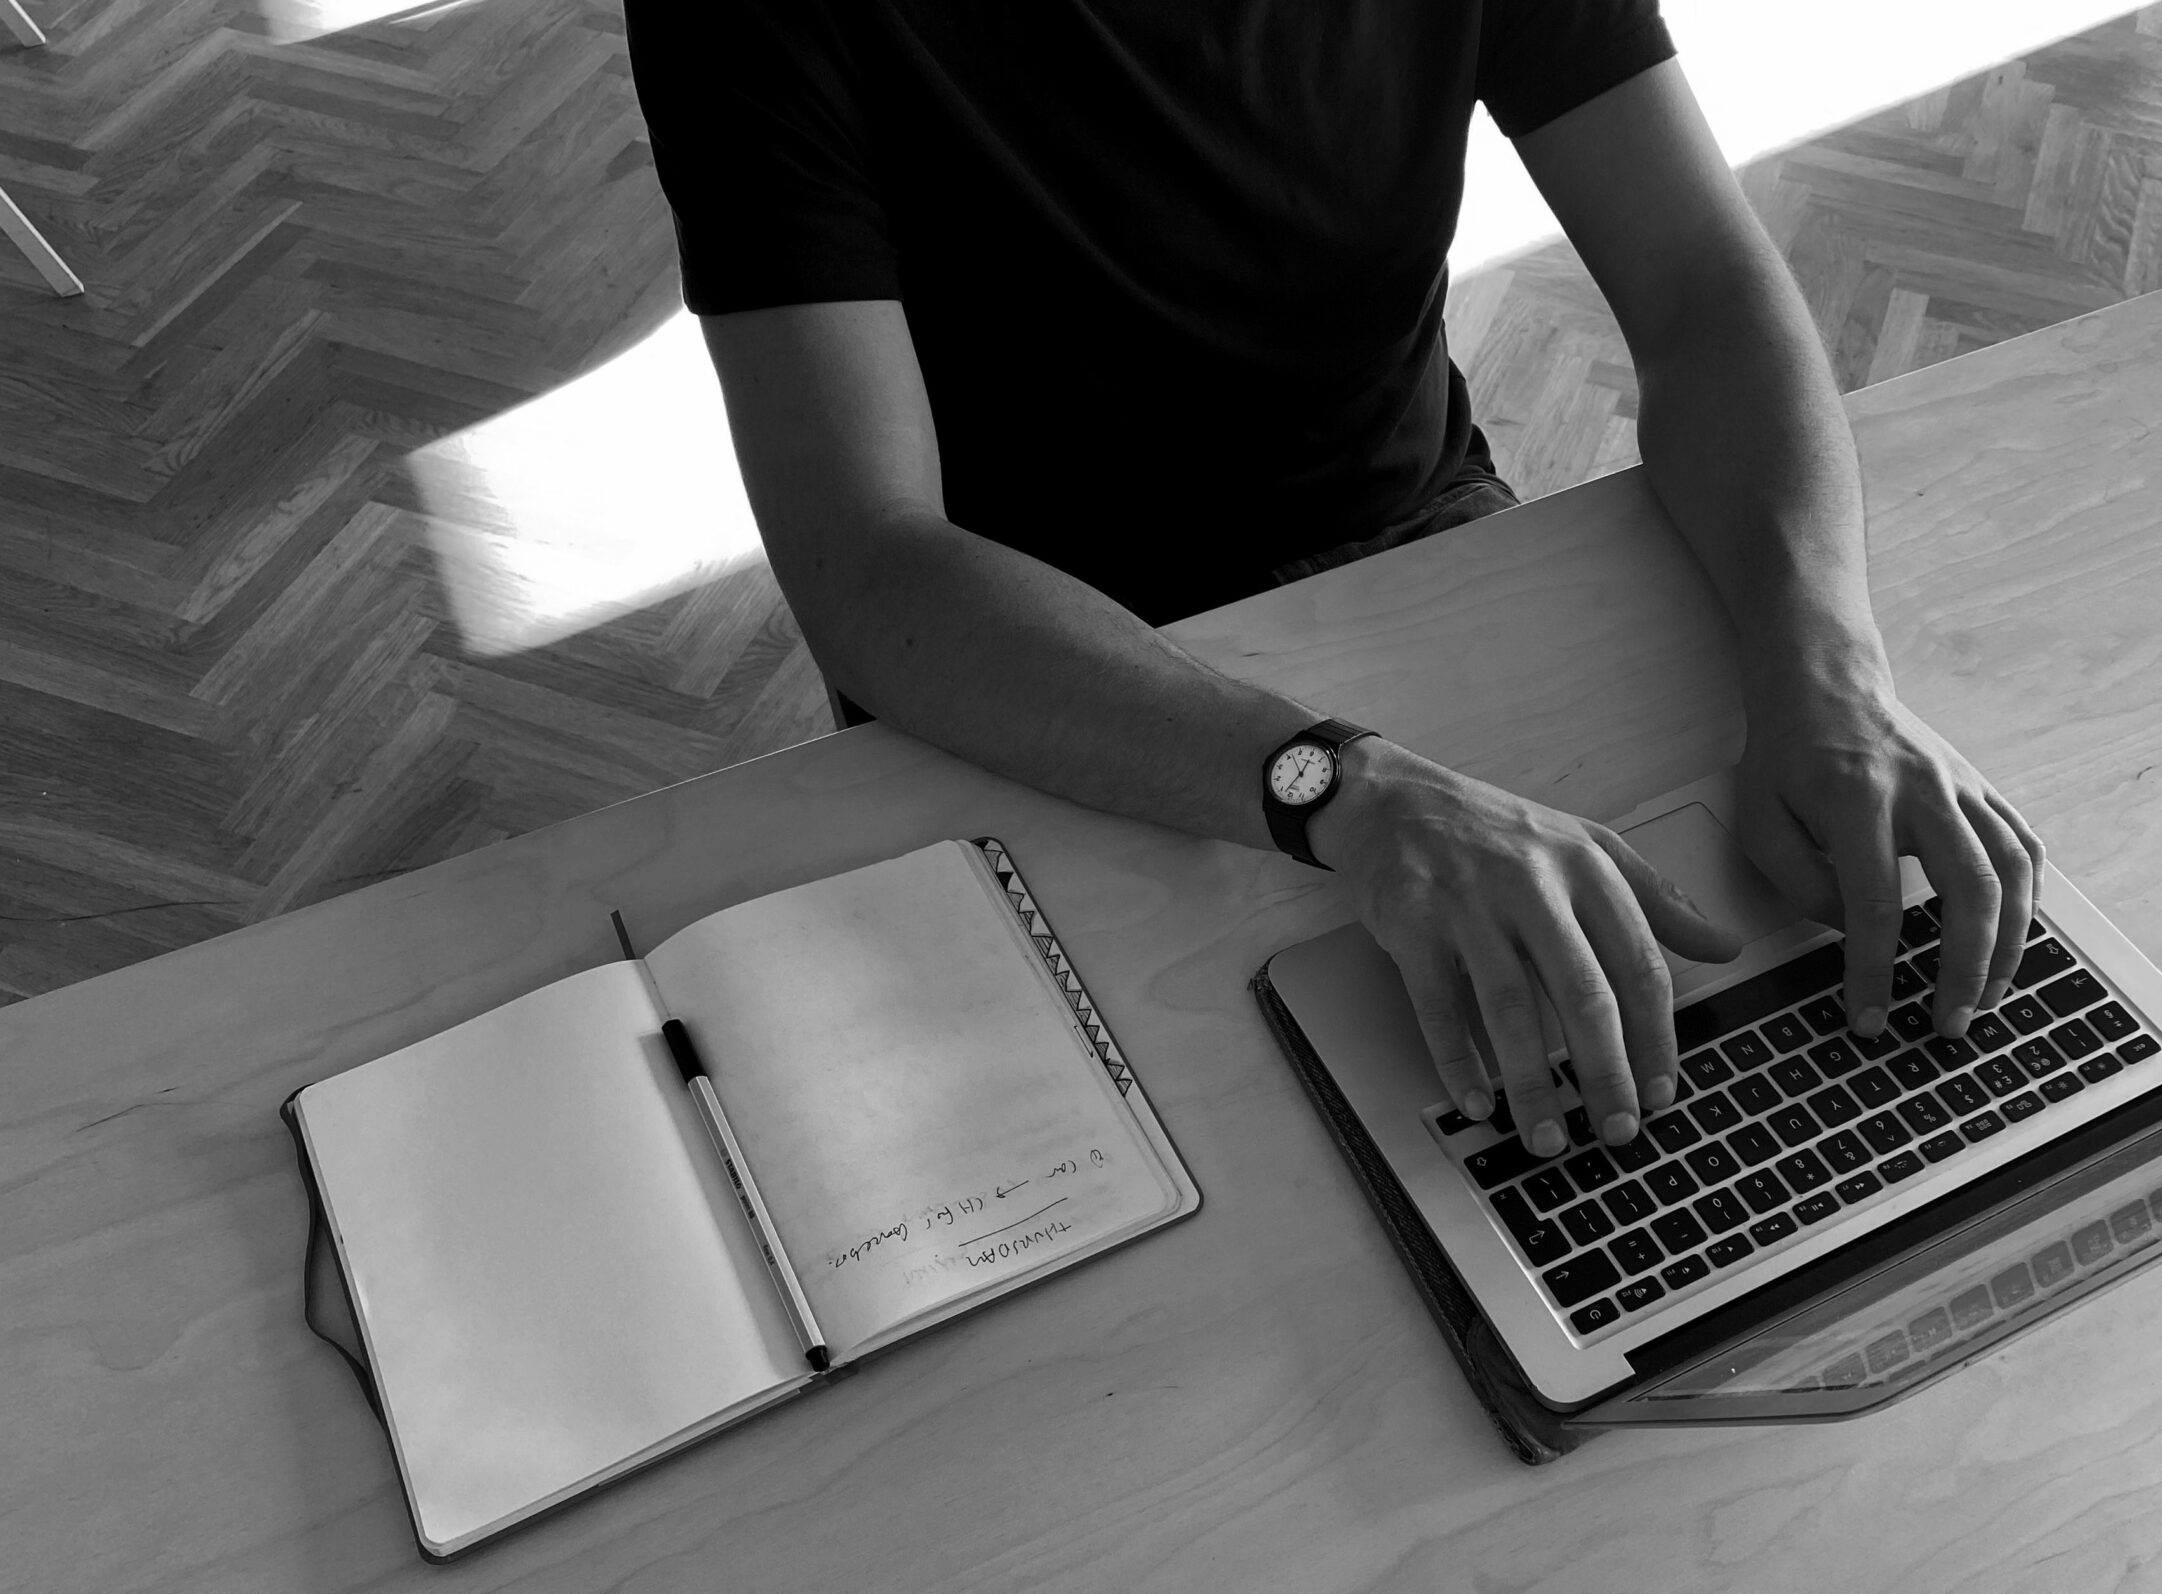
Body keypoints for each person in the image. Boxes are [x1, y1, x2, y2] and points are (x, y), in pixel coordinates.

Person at [624, 0, 2043, 1167]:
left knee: (1670, 1121)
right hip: (1037, 664)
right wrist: (1348, 792)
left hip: (1425, 541)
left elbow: (1702, 293)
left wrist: (1828, 666)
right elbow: (867, 566)